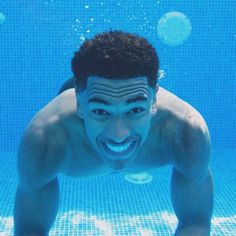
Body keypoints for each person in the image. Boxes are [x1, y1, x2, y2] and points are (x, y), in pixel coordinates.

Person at [13, 30, 213, 236]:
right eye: (101, 111)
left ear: (154, 102)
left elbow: (195, 222)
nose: (119, 134)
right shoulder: (45, 141)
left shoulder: (186, 133)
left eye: (135, 110)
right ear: (79, 105)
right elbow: (30, 230)